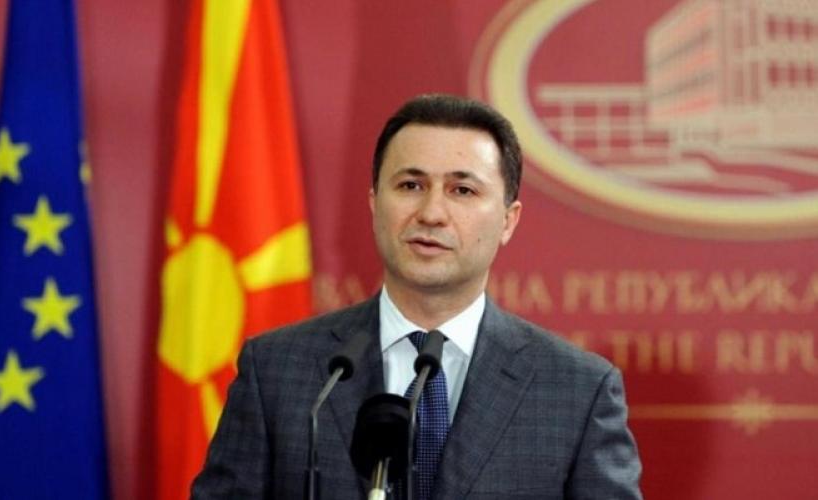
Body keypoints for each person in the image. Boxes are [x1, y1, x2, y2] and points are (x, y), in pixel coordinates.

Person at [191, 94, 642, 499]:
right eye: (411, 186)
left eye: (462, 190)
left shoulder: (577, 390)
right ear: (374, 203)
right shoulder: (276, 371)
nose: (431, 213)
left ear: (508, 220)